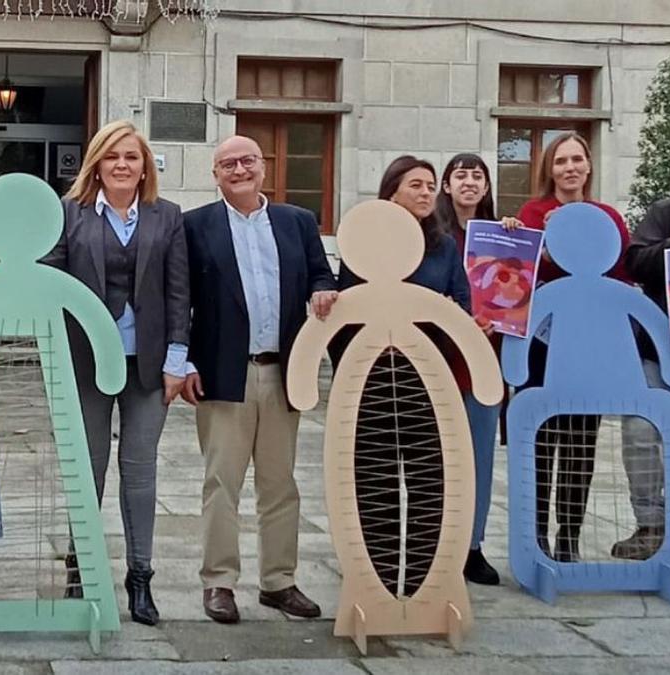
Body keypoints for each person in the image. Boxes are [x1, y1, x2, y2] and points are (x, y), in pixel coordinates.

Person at [181, 135, 336, 624]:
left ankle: (279, 582)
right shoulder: (195, 227)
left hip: (283, 372)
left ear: (263, 167)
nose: (239, 169)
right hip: (222, 375)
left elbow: (320, 275)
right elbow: (177, 298)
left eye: (247, 160)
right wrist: (182, 362)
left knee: (280, 484)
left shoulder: (298, 222)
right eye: (228, 164)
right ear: (216, 174)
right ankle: (219, 582)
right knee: (221, 483)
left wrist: (324, 292)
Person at [41, 120, 189, 626]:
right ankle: (80, 567)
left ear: (145, 165)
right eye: (112, 156)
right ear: (96, 164)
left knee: (140, 471)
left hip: (147, 364)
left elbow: (178, 293)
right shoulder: (69, 214)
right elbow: (50, 279)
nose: (123, 164)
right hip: (87, 362)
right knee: (89, 468)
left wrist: (177, 360)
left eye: (132, 156)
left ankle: (140, 575)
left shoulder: (167, 216)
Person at [335, 156, 490, 599]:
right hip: (375, 379)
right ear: (391, 194)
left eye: (428, 185)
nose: (426, 193)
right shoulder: (364, 245)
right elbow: (348, 312)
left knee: (430, 481)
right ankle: (380, 581)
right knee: (375, 479)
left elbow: (460, 305)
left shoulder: (444, 247)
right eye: (415, 185)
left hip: (430, 376)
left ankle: (425, 582)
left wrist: (463, 321)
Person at [516, 132, 630, 561]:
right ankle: (537, 536)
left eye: (577, 159)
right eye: (561, 160)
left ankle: (569, 539)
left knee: (582, 444)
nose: (570, 167)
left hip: (592, 342)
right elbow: (523, 272)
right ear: (550, 169)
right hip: (543, 342)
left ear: (588, 165)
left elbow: (620, 272)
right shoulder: (534, 212)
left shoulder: (607, 215)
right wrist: (547, 242)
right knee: (541, 441)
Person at [433, 152, 522, 585]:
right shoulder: (431, 237)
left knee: (480, 458)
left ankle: (472, 545)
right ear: (446, 186)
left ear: (487, 187)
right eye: (459, 175)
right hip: (438, 359)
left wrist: (520, 243)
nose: (469, 182)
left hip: (485, 361)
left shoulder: (502, 237)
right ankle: (435, 544)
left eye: (477, 176)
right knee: (437, 460)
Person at [615, 196, 670, 560]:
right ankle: (650, 526)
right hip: (656, 351)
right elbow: (634, 262)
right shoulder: (667, 211)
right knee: (639, 433)